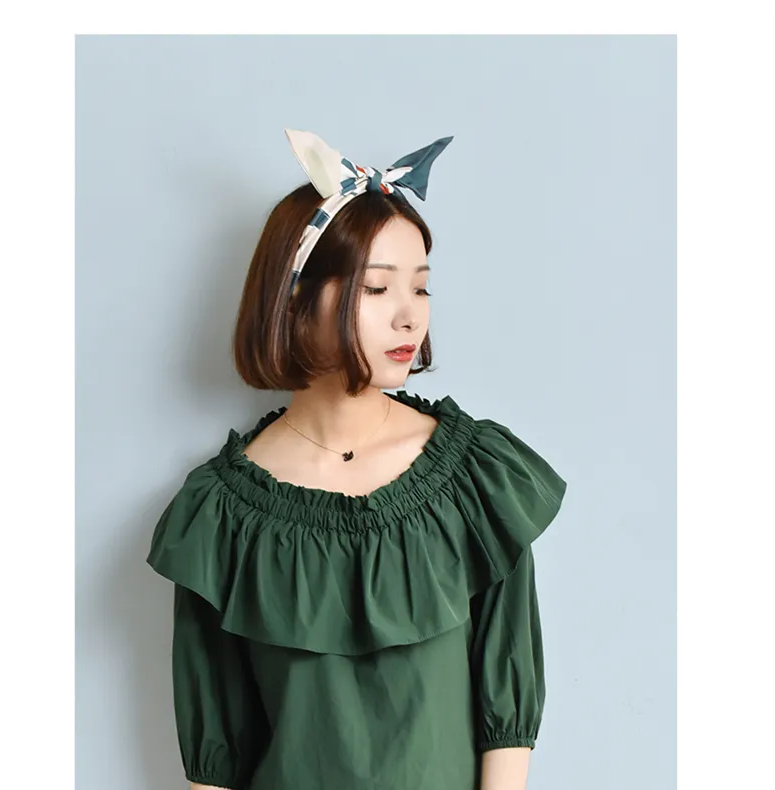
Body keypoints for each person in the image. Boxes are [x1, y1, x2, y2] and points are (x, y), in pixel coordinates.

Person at [146, 129, 568, 790]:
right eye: (376, 289)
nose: (410, 318)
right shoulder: (221, 516)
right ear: (293, 298)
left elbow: (506, 723)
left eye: (421, 289)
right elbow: (214, 759)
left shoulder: (475, 482)